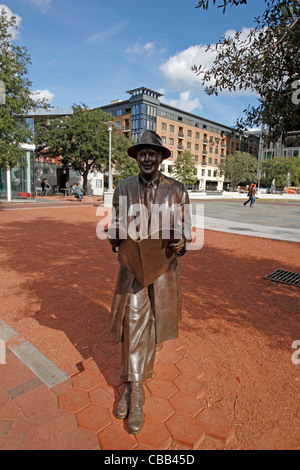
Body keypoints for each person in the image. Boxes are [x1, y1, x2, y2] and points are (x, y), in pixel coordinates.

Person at [107, 130, 191, 434]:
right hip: (133, 269)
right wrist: (114, 238)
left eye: (151, 153)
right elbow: (115, 227)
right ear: (136, 157)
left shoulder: (177, 190)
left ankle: (132, 387)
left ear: (160, 157)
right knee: (133, 323)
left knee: (153, 325)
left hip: (164, 268)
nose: (146, 158)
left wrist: (181, 241)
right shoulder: (123, 187)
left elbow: (187, 231)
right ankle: (137, 393)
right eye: (141, 153)